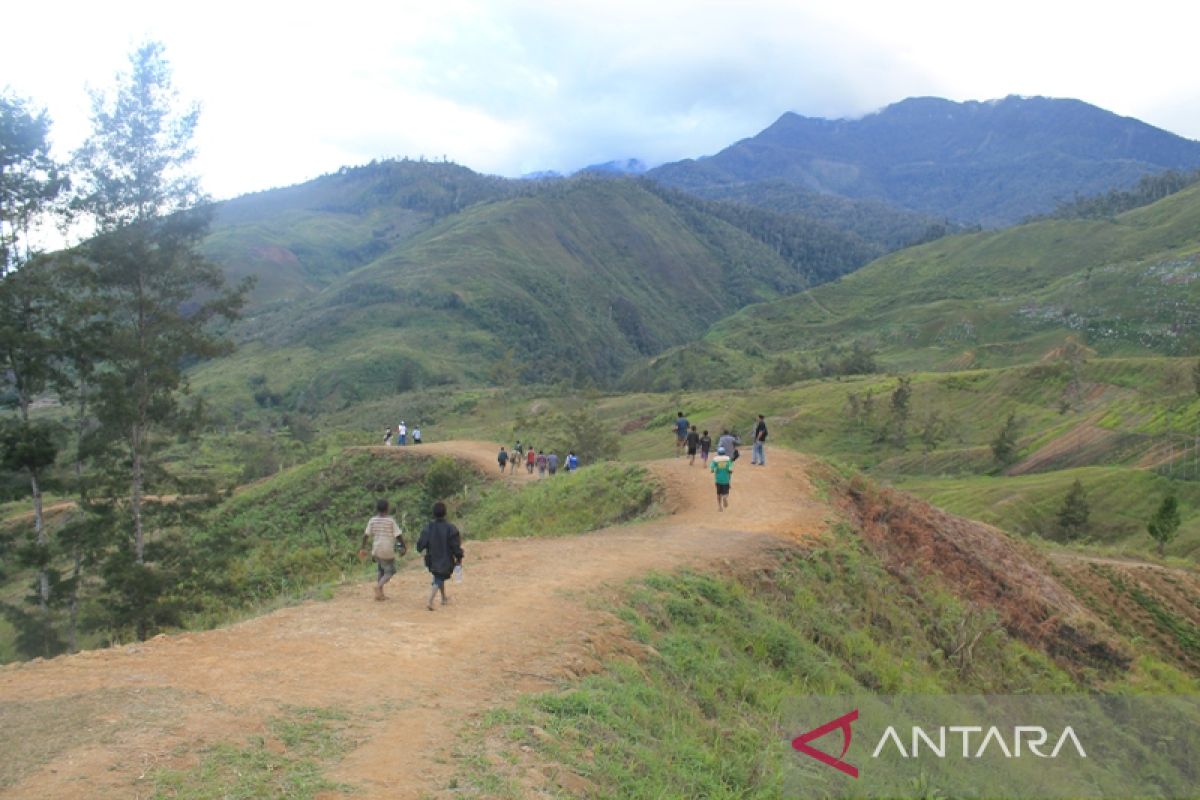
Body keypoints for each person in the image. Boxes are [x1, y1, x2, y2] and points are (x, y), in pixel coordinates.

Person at [416, 501, 463, 611]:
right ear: (445, 513)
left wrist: (420, 548)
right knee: (439, 577)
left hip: (432, 559)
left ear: (433, 513)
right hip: (445, 559)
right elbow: (455, 545)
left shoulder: (428, 527)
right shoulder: (450, 528)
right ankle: (430, 601)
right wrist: (459, 557)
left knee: (438, 575)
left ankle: (443, 598)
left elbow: (421, 544)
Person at [358, 498, 406, 601]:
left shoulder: (372, 520)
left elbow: (366, 535)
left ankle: (380, 594)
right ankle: (378, 586)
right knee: (391, 571)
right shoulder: (390, 520)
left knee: (381, 569)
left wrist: (362, 547)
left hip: (376, 550)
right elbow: (398, 535)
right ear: (387, 509)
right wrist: (403, 546)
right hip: (387, 550)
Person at [709, 446, 733, 511]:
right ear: (724, 453)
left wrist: (712, 470)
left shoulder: (715, 459)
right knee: (726, 493)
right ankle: (725, 497)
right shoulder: (728, 459)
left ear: (718, 453)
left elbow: (711, 468)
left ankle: (720, 507)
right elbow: (730, 469)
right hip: (726, 480)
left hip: (718, 480)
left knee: (718, 493)